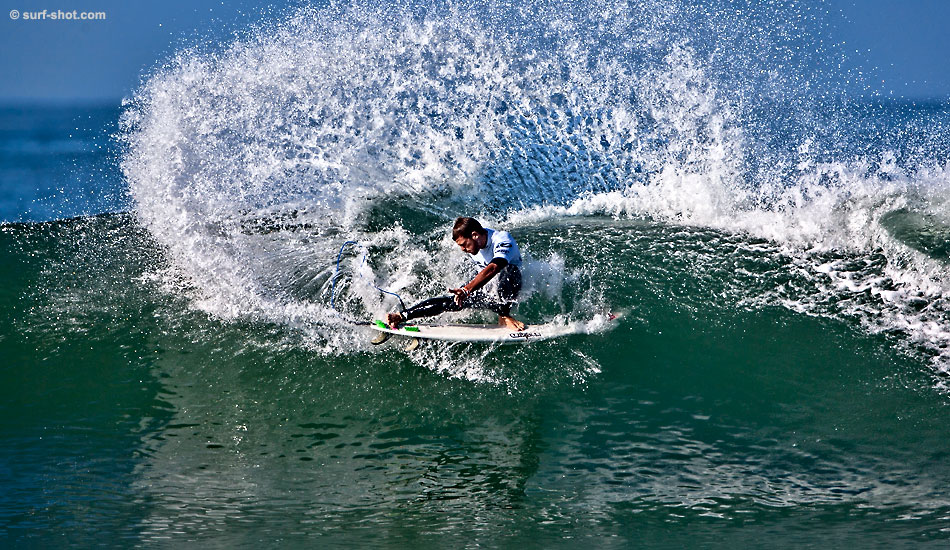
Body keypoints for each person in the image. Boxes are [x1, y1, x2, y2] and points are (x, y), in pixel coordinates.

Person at [386, 217, 526, 330]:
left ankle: (505, 315)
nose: (463, 249)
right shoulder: (475, 245)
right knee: (451, 301)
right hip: (489, 287)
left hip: (511, 285)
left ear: (475, 235)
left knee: (508, 272)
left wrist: (467, 290)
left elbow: (493, 268)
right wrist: (464, 291)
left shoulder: (502, 240)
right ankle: (403, 315)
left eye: (464, 244)